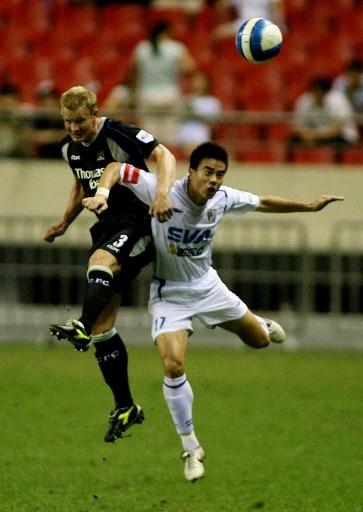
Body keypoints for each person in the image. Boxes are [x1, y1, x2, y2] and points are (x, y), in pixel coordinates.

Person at [82, 142, 344, 482]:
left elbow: (263, 202)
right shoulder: (162, 191)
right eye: (208, 172)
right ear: (191, 172)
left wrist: (308, 207)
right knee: (173, 364)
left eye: (220, 174)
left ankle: (261, 323)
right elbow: (117, 168)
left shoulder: (223, 199)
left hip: (208, 288)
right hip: (170, 294)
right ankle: (191, 448)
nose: (214, 180)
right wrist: (102, 191)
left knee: (261, 341)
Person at [43, 85, 176, 443]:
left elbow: (164, 155)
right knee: (105, 328)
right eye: (68, 122)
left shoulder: (119, 132)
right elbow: (79, 185)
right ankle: (126, 406)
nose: (74, 128)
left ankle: (80, 324)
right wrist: (63, 223)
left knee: (100, 263)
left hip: (138, 222)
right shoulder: (69, 148)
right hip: (106, 227)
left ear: (95, 112)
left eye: (80, 121)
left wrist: (162, 193)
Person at [128, 20, 198, 144]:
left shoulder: (141, 49)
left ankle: (152, 162)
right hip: (169, 95)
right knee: (169, 136)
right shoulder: (176, 48)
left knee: (148, 138)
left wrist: (133, 94)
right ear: (167, 32)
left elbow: (133, 73)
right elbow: (191, 68)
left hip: (147, 95)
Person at [287, 76, 359, 159]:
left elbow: (338, 128)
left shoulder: (338, 100)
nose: (316, 94)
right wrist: (306, 134)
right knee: (292, 141)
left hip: (341, 137)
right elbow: (298, 125)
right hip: (315, 135)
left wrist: (317, 135)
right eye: (314, 91)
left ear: (326, 93)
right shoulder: (304, 100)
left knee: (337, 144)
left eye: (319, 92)